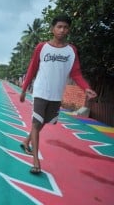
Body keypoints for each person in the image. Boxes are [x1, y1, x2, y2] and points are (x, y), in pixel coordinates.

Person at [19, 14, 97, 174]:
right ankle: (35, 161)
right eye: (59, 27)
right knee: (36, 123)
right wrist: (24, 89)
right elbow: (32, 69)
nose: (62, 30)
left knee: (43, 122)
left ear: (69, 30)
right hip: (40, 91)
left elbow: (76, 74)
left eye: (65, 27)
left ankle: (26, 141)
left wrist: (85, 88)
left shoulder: (71, 51)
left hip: (56, 95)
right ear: (52, 29)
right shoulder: (42, 47)